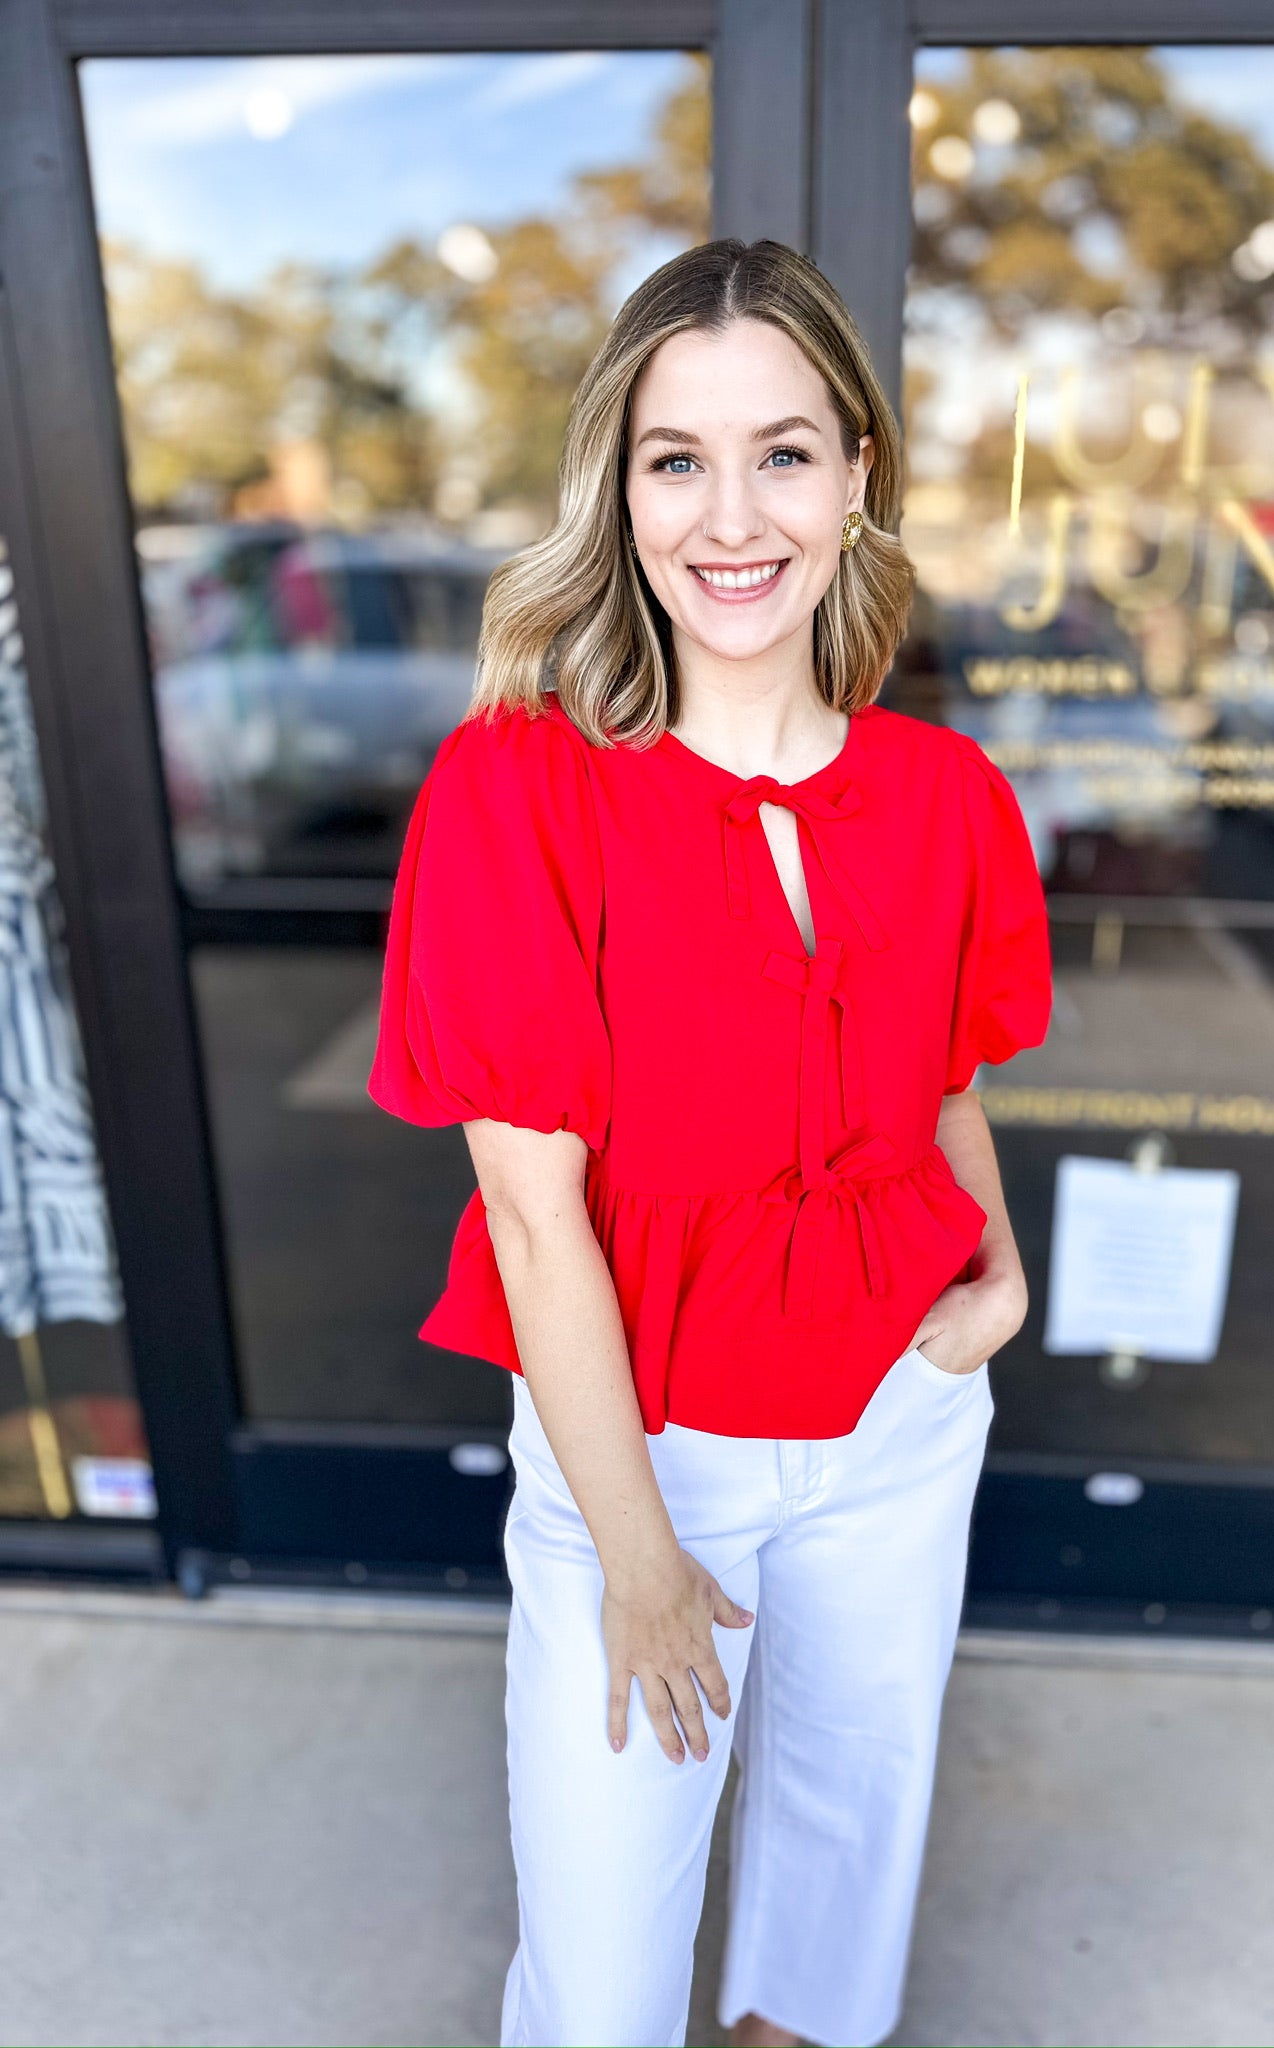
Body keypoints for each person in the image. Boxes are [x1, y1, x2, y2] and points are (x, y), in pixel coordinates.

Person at [368, 237, 1053, 2048]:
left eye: (784, 451)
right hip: (641, 1457)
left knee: (841, 1878)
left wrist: (997, 1279)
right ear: (620, 485)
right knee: (599, 1966)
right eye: (677, 457)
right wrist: (644, 1557)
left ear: (855, 480)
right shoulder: (520, 784)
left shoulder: (949, 797)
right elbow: (532, 1215)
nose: (730, 514)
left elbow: (954, 1087)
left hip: (901, 1427)